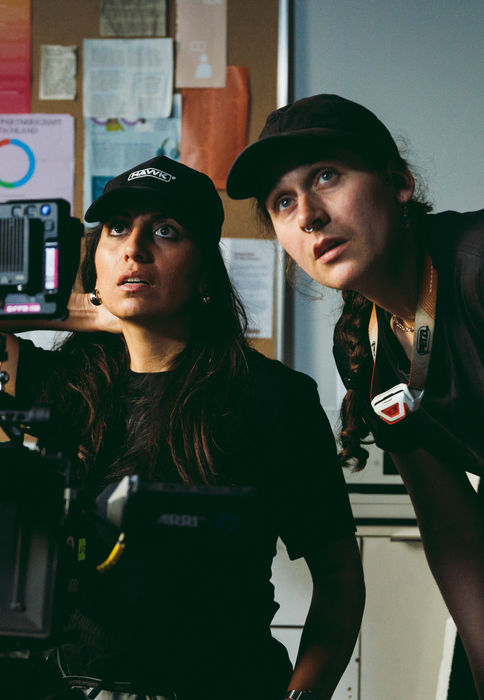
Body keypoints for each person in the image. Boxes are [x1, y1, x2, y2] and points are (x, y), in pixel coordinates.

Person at [0, 155, 364, 700]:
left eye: (166, 231)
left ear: (206, 272)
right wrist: (89, 311)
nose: (134, 248)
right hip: (65, 687)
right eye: (116, 228)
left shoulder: (274, 398)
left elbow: (338, 579)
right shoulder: (53, 382)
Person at [226, 93, 484, 697]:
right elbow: (452, 529)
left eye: (326, 176)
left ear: (399, 182)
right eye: (283, 201)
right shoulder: (366, 350)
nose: (308, 216)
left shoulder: (474, 269)